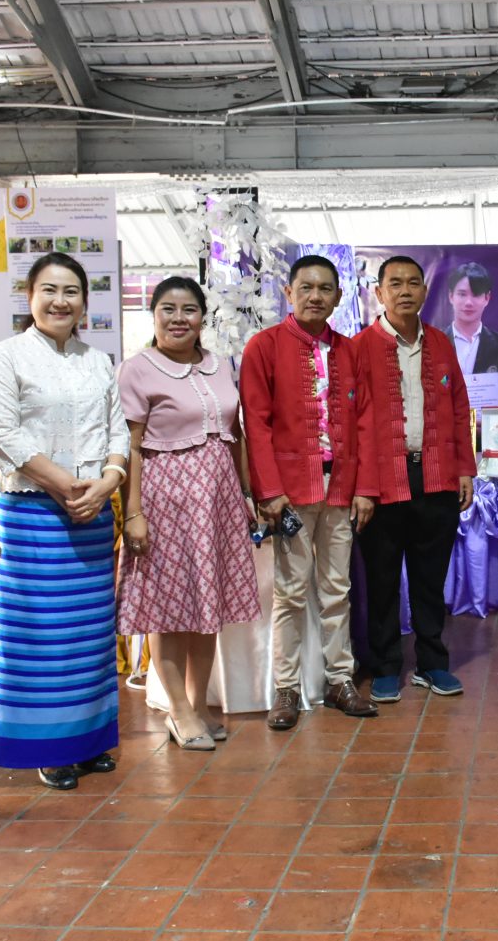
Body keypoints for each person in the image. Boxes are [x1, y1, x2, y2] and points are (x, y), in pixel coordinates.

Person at [0, 252, 129, 790]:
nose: (60, 301)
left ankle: (87, 741)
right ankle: (46, 747)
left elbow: (118, 430)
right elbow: (1, 432)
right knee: (40, 635)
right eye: (49, 290)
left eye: (71, 292)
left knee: (88, 637)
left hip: (92, 514)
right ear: (30, 296)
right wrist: (65, 485)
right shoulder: (6, 357)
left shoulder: (98, 361)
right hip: (32, 516)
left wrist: (108, 482)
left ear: (85, 302)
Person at [117, 277, 261, 750]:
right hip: (165, 501)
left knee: (208, 606)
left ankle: (199, 705)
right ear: (153, 315)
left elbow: (235, 435)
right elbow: (130, 446)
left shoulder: (219, 365)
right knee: (168, 611)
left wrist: (245, 494)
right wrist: (133, 513)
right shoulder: (137, 369)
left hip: (217, 502)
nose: (178, 318)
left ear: (203, 317)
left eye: (189, 310)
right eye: (168, 309)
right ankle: (178, 711)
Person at [241, 254, 378, 729]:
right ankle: (286, 688)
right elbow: (255, 425)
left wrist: (366, 488)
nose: (315, 296)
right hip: (291, 491)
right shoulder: (264, 346)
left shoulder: (349, 350)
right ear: (289, 293)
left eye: (325, 289)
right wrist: (268, 491)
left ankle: (340, 680)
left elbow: (366, 422)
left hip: (341, 487)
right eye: (306, 288)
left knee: (337, 589)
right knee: (291, 592)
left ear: (338, 297)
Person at [353, 255, 476, 701]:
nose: (405, 291)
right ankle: (386, 665)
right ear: (379, 293)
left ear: (425, 291)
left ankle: (432, 663)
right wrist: (362, 487)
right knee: (382, 579)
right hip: (382, 482)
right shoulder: (358, 348)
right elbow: (350, 423)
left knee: (429, 578)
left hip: (437, 477)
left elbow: (459, 409)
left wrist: (465, 468)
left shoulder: (441, 343)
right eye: (395, 284)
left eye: (413, 283)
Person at [443, 262, 498, 409]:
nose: (468, 302)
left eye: (476, 294)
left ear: (487, 298)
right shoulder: (433, 343)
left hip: (492, 424)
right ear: (451, 296)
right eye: (462, 294)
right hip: (447, 424)